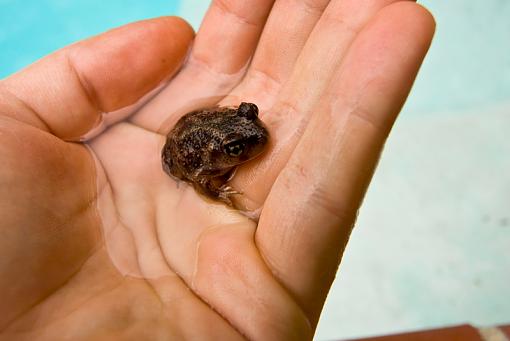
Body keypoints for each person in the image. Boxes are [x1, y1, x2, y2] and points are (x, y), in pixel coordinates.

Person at [0, 0, 435, 339]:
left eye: (252, 117)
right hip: (184, 154)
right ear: (222, 153)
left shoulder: (240, 128)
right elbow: (199, 176)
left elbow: (239, 128)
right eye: (236, 147)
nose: (256, 137)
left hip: (200, 127)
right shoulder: (204, 164)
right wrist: (215, 191)